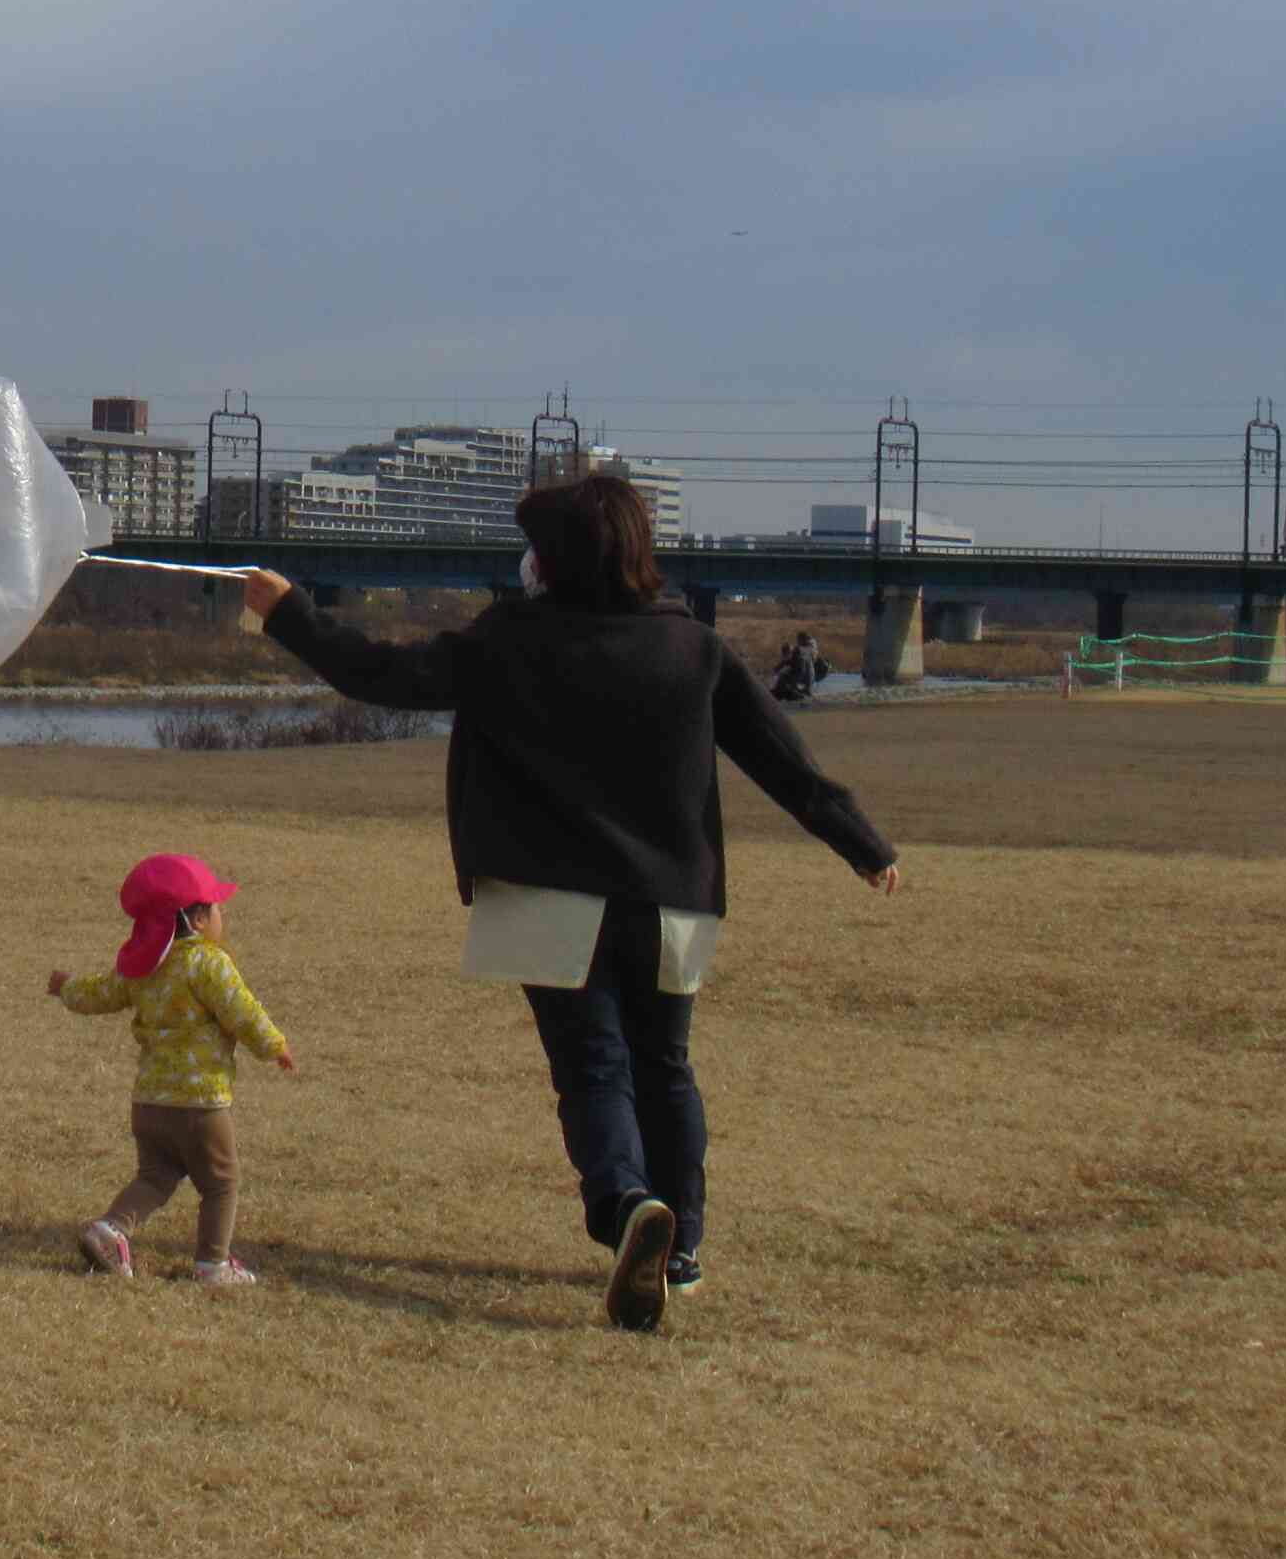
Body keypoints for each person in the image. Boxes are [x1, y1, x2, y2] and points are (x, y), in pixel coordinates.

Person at [241, 474, 900, 1331]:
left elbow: (384, 673)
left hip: (541, 887)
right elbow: (781, 758)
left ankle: (627, 1206)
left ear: (551, 559)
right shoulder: (692, 648)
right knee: (664, 1065)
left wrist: (290, 613)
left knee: (592, 1067)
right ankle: (684, 1245)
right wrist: (863, 843)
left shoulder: (506, 639)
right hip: (674, 895)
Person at [47, 853, 298, 1287]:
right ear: (197, 919)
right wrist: (273, 1044)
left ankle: (109, 1229)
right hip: (200, 1105)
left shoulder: (142, 966)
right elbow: (241, 1011)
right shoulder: (208, 962)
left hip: (149, 1103)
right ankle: (213, 1264)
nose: (221, 916)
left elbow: (100, 993)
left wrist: (66, 986)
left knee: (156, 1176)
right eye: (217, 908)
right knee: (221, 1183)